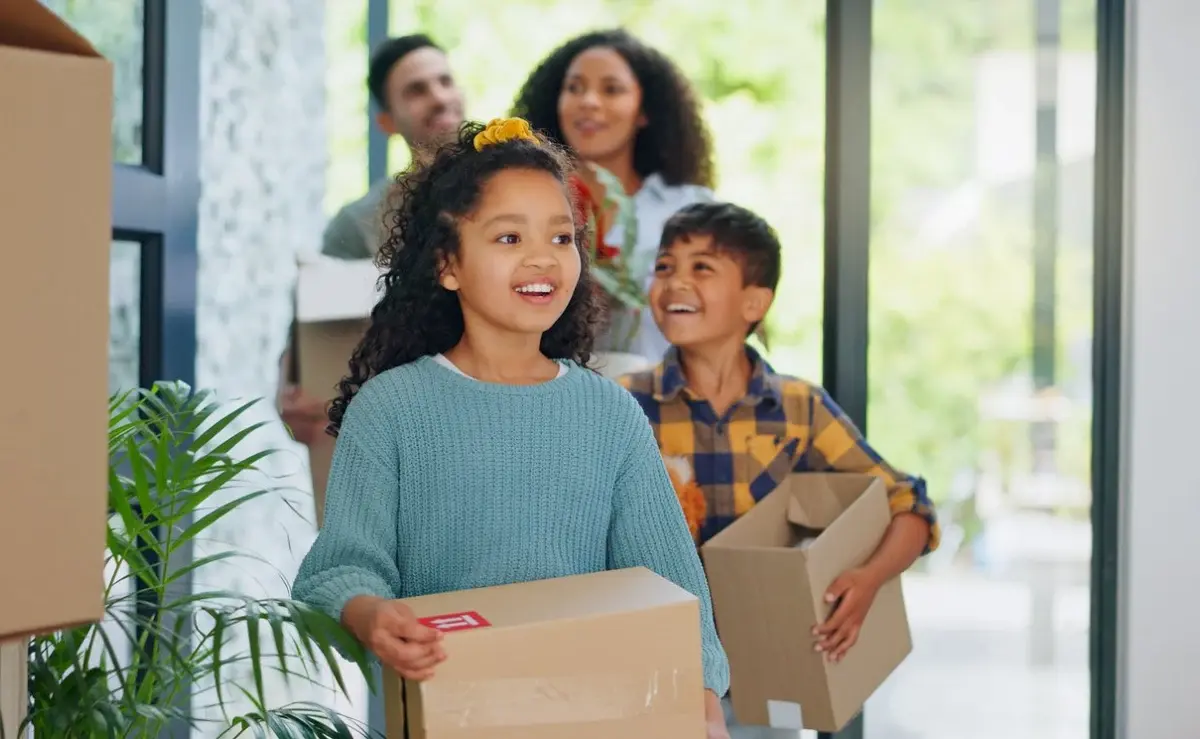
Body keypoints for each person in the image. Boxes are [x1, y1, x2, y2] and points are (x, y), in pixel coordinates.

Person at [290, 118, 732, 739]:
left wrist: (705, 703)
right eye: (507, 237)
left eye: (560, 236)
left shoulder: (609, 415)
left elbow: (670, 582)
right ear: (447, 264)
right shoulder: (391, 409)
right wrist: (371, 615)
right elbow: (343, 566)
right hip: (452, 718)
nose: (541, 258)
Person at [617, 202, 940, 731]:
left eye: (702, 267)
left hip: (765, 676)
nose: (675, 282)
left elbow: (909, 503)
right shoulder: (622, 404)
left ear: (754, 301)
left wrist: (866, 581)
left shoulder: (798, 408)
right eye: (664, 267)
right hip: (656, 675)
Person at [279, 33, 465, 445]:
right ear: (386, 121)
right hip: (408, 438)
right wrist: (295, 401)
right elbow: (312, 347)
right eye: (416, 90)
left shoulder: (519, 193)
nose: (438, 97)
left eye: (445, 81)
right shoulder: (358, 224)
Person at [512, 29, 715, 360]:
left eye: (611, 89)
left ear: (644, 111)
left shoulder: (693, 207)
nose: (589, 102)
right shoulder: (523, 202)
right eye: (574, 88)